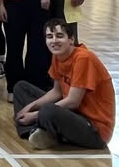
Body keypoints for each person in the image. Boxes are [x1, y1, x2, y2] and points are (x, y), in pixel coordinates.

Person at [13, 19, 115, 150]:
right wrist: (30, 106)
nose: (54, 41)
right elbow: (57, 92)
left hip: (95, 129)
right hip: (74, 115)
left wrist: (34, 115)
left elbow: (73, 101)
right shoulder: (57, 55)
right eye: (50, 36)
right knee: (21, 88)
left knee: (48, 110)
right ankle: (35, 131)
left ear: (71, 39)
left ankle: (41, 129)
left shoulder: (83, 58)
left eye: (59, 36)